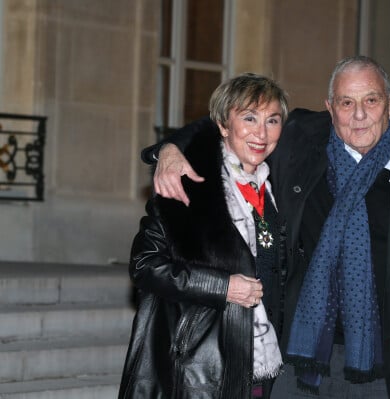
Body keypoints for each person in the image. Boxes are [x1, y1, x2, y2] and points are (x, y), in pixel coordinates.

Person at [143, 56, 390, 399]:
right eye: (347, 102)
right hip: (299, 356)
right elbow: (231, 125)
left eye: (371, 100)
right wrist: (169, 149)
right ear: (329, 107)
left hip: (389, 361)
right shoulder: (301, 141)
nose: (359, 115)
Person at [118, 73, 289, 399]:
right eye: (249, 118)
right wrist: (223, 287)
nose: (261, 132)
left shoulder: (279, 188)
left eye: (273, 120)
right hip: (201, 370)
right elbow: (144, 265)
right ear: (223, 126)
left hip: (266, 365)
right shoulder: (186, 185)